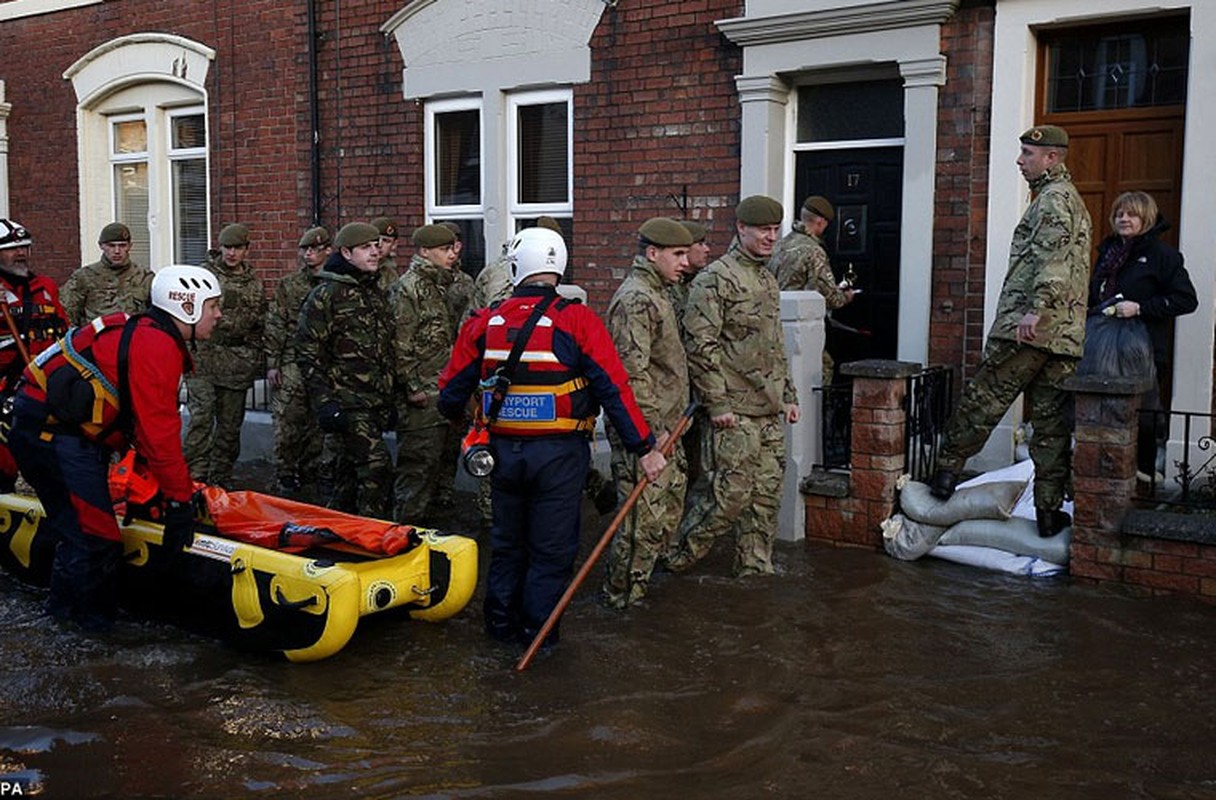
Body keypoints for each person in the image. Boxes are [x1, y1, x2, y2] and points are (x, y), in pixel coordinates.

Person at [438, 226, 666, 647]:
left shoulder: (485, 322)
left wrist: (465, 421)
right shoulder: (577, 320)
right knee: (552, 551)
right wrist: (645, 448)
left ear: (517, 268)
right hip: (560, 456)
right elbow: (613, 389)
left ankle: (499, 632)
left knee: (507, 546)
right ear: (557, 267)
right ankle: (539, 640)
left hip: (503, 454)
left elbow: (449, 394)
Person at [7, 265, 222, 631]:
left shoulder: (147, 334)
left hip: (51, 429)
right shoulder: (156, 345)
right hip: (52, 435)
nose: (219, 315)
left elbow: (142, 427)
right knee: (96, 537)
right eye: (213, 306)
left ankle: (62, 618)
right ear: (187, 306)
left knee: (80, 531)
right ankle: (91, 633)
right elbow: (160, 433)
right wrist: (179, 502)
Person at [929, 125, 1092, 539]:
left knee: (983, 399)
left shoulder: (1053, 201)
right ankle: (1049, 512)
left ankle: (945, 475)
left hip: (1030, 330)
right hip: (1065, 338)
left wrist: (1035, 312)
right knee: (1052, 425)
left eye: (1027, 154)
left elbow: (1052, 261)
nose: (1020, 161)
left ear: (1052, 158)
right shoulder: (1071, 201)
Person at [666, 195, 800, 577]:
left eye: (776, 230)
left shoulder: (768, 279)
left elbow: (775, 346)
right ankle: (675, 559)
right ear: (741, 228)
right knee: (727, 498)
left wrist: (788, 396)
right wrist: (718, 404)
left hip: (769, 409)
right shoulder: (716, 279)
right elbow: (700, 345)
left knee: (766, 498)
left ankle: (755, 570)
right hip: (734, 415)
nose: (771, 237)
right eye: (763, 230)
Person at [601, 217, 692, 609]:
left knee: (663, 517)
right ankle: (621, 597)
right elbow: (631, 374)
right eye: (678, 254)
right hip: (646, 433)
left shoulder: (660, 292)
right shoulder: (636, 298)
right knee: (642, 521)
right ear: (652, 254)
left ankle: (640, 590)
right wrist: (648, 438)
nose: (685, 262)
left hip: (669, 427)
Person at [1088, 191, 1197, 482]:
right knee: (1102, 413)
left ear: (1146, 218)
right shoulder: (1108, 254)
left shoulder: (1163, 257)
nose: (1124, 219)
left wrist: (1140, 308)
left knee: (1143, 417)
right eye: (1119, 214)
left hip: (1143, 351)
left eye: (1131, 214)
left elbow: (1186, 300)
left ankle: (1145, 479)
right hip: (1101, 351)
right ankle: (1105, 477)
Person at [296, 222, 395, 519]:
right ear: (346, 252)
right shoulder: (326, 295)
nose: (375, 252)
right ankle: (374, 535)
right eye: (366, 247)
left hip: (374, 400)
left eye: (376, 245)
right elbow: (308, 352)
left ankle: (337, 532)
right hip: (347, 402)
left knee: (348, 477)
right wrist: (325, 402)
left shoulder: (373, 291)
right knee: (376, 468)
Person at [183, 223, 267, 487]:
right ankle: (194, 476)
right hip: (204, 359)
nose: (232, 253)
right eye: (227, 247)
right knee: (202, 419)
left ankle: (220, 477)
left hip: (237, 362)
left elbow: (261, 321)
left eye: (238, 248)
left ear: (246, 250)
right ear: (220, 248)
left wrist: (255, 353)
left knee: (230, 426)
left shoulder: (254, 284)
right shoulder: (203, 276)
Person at [389, 223, 462, 523]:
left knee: (437, 467)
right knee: (416, 469)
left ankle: (426, 537)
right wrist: (411, 386)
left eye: (451, 249)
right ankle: (403, 534)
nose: (451, 255)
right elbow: (399, 343)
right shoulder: (409, 288)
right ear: (424, 251)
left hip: (441, 388)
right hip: (422, 394)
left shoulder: (440, 285)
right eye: (444, 250)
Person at [0, 218, 69, 493]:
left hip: (43, 388)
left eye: (25, 247)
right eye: (12, 248)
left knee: (49, 462)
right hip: (6, 389)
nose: (21, 253)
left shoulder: (45, 287)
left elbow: (63, 334)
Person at [264, 226, 330, 496]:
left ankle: (312, 470)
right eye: (305, 249)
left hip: (324, 363)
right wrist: (273, 363)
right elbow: (276, 323)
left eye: (315, 249)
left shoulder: (333, 285)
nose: (309, 254)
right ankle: (286, 473)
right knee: (287, 420)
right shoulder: (290, 285)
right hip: (293, 361)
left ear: (328, 250)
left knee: (318, 422)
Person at [766, 195, 856, 384]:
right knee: (820, 370)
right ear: (820, 222)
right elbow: (829, 296)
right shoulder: (813, 251)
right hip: (802, 323)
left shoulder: (779, 245)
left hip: (773, 322)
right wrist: (845, 297)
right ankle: (818, 413)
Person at [59, 222, 154, 327]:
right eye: (111, 246)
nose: (117, 251)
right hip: (97, 339)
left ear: (130, 246)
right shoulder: (84, 277)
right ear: (101, 246)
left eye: (122, 246)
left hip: (134, 338)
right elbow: (66, 314)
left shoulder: (145, 278)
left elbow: (156, 316)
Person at [371, 217, 402, 292]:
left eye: (386, 241)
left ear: (394, 244)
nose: (380, 245)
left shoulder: (391, 273)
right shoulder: (358, 264)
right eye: (376, 239)